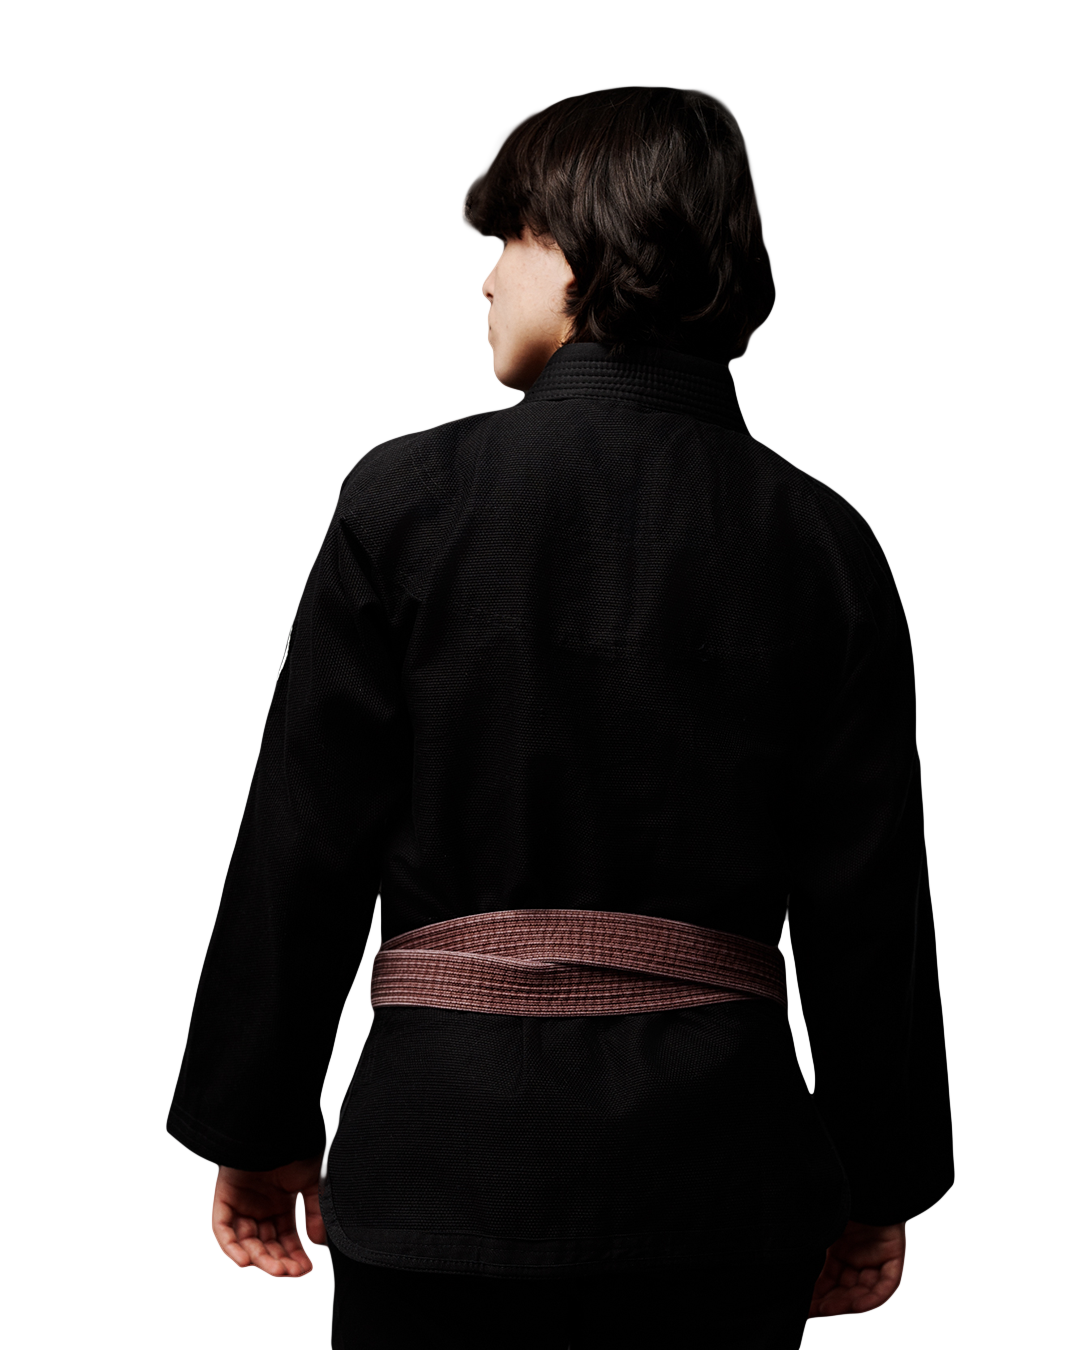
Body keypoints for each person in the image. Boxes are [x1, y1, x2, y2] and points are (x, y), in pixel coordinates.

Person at [167, 86, 954, 1348]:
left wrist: (257, 1127)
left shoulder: (400, 506)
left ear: (593, 239)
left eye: (512, 236)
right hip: (722, 1189)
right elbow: (871, 908)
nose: (486, 278)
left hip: (442, 1171)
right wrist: (879, 1181)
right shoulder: (826, 548)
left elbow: (300, 845)